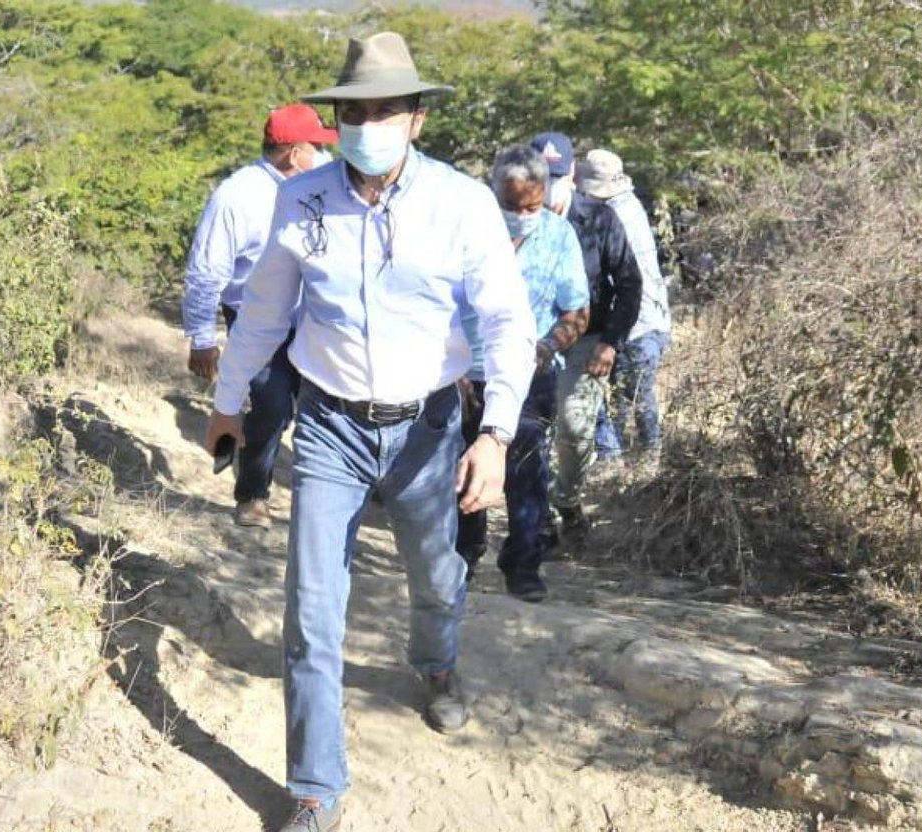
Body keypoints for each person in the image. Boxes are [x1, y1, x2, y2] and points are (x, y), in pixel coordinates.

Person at [202, 33, 535, 832]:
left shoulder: (461, 204)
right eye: (352, 111)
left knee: (437, 573)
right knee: (312, 608)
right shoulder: (303, 198)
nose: (367, 124)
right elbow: (263, 314)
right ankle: (315, 789)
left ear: (418, 118)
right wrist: (227, 399)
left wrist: (493, 435)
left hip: (427, 429)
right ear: (335, 118)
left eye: (385, 109)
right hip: (327, 428)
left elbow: (506, 321)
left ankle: (436, 663)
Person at [183, 104, 339, 528]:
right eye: (314, 147)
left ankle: (321, 504)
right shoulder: (237, 196)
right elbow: (207, 270)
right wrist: (201, 337)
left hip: (312, 316)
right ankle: (252, 494)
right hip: (254, 318)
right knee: (271, 405)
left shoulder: (322, 184)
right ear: (293, 152)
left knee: (318, 408)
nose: (323, 156)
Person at [456, 144, 589, 602]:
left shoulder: (559, 236)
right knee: (463, 470)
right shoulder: (468, 232)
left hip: (531, 376)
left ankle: (523, 564)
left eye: (531, 205)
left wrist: (546, 347)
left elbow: (577, 310)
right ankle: (463, 558)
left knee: (528, 473)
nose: (522, 215)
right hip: (466, 374)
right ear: (495, 196)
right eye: (512, 206)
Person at [530, 131, 642, 547]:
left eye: (557, 174)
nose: (549, 183)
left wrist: (610, 342)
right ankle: (537, 515)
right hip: (532, 339)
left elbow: (629, 282)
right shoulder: (508, 218)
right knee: (530, 431)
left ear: (571, 173)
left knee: (575, 428)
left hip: (587, 338)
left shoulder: (598, 218)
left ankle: (567, 499)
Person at [583, 149, 672, 462]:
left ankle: (647, 460)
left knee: (636, 396)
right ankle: (625, 463)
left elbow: (624, 279)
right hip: (651, 319)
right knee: (627, 395)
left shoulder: (612, 215)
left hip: (640, 322)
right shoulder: (629, 204)